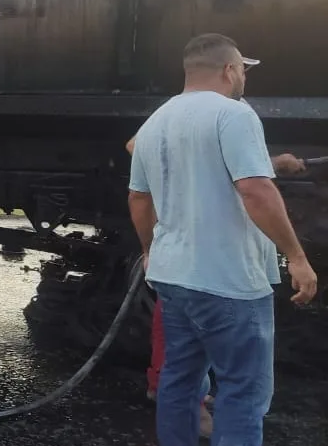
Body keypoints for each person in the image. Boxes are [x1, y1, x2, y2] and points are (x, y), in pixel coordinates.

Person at [128, 33, 317, 446]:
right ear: (230, 70)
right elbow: (254, 189)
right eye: (244, 72)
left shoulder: (156, 122)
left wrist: (151, 250)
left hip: (175, 275)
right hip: (229, 281)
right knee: (244, 393)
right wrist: (297, 258)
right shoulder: (235, 116)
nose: (244, 79)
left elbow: (140, 199)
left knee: (181, 382)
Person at [127, 136, 306, 419]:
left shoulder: (217, 110)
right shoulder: (200, 110)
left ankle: (181, 396)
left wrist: (270, 165)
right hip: (194, 235)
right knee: (189, 323)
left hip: (196, 235)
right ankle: (183, 405)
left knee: (186, 322)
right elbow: (137, 146)